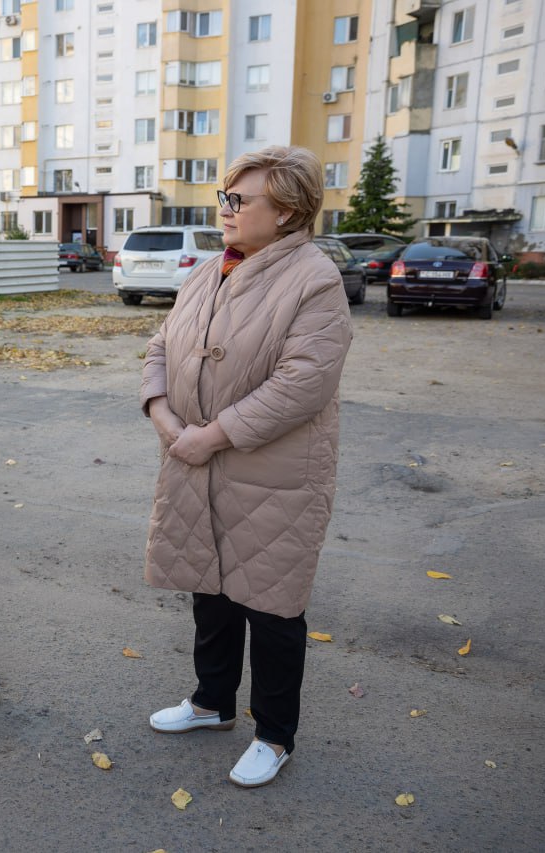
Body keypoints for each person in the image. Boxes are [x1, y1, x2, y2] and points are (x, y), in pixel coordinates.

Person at [139, 145, 352, 788]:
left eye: (238, 200)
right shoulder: (211, 271)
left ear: (286, 212)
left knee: (273, 607)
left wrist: (215, 435)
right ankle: (210, 702)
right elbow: (161, 343)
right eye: (223, 199)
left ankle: (274, 733)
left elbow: (303, 383)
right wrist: (160, 410)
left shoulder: (315, 278)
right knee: (212, 589)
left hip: (273, 474)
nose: (224, 211)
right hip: (195, 459)